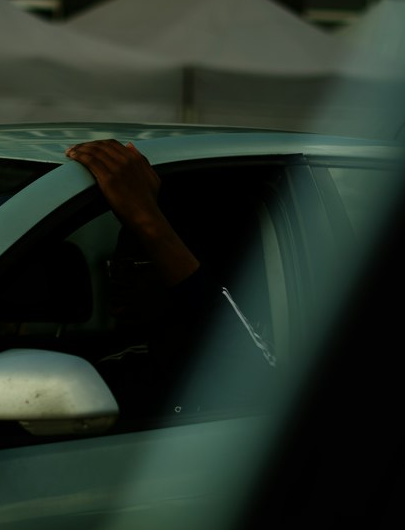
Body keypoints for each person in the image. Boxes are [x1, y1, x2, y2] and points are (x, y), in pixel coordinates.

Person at [65, 137, 278, 416]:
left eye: (138, 263)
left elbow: (253, 367)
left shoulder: (230, 364)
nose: (118, 276)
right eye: (115, 263)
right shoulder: (109, 371)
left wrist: (145, 219)